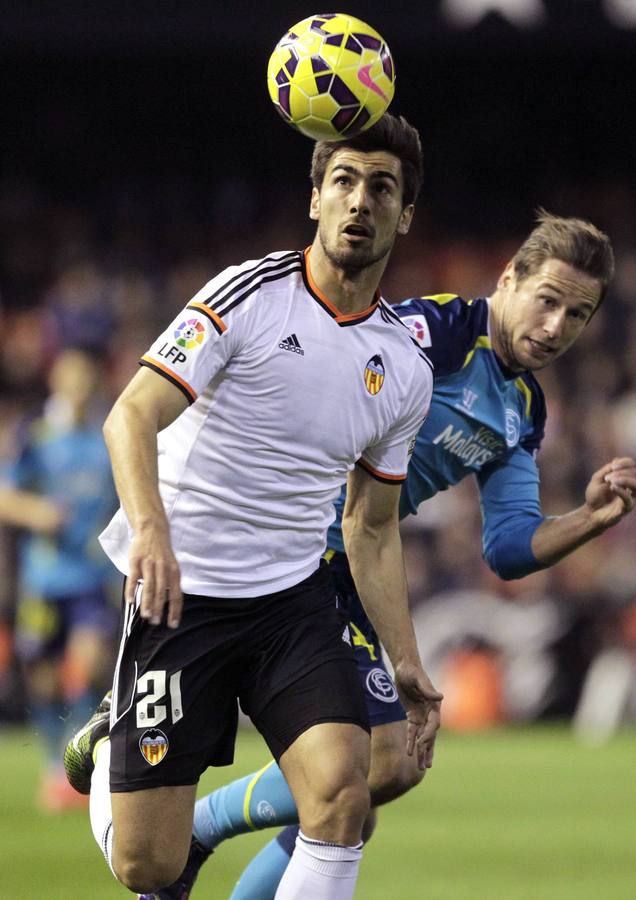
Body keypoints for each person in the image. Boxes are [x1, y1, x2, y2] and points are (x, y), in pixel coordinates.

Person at [153, 210, 636, 900]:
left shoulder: (523, 410)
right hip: (293, 544)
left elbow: (508, 547)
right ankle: (197, 822)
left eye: (578, 315)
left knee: (371, 787)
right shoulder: (436, 332)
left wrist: (590, 519)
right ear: (508, 280)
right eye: (548, 300)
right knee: (368, 776)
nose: (557, 326)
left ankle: (199, 827)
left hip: (348, 566)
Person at [62, 112, 441, 900]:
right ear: (315, 200)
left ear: (405, 215)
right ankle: (109, 747)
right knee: (151, 867)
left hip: (290, 604)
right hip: (181, 594)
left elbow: (369, 526)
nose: (359, 201)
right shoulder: (250, 295)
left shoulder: (404, 368)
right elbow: (129, 414)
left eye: (381, 187)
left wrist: (405, 659)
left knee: (344, 794)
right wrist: (152, 536)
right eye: (343, 181)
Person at [0, 347, 118, 812]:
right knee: (45, 679)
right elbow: (6, 497)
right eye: (72, 374)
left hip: (93, 574)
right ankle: (56, 765)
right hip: (45, 580)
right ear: (56, 379)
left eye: (88, 375)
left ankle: (81, 763)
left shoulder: (110, 431)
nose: (80, 383)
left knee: (87, 665)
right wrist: (39, 513)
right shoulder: (35, 433)